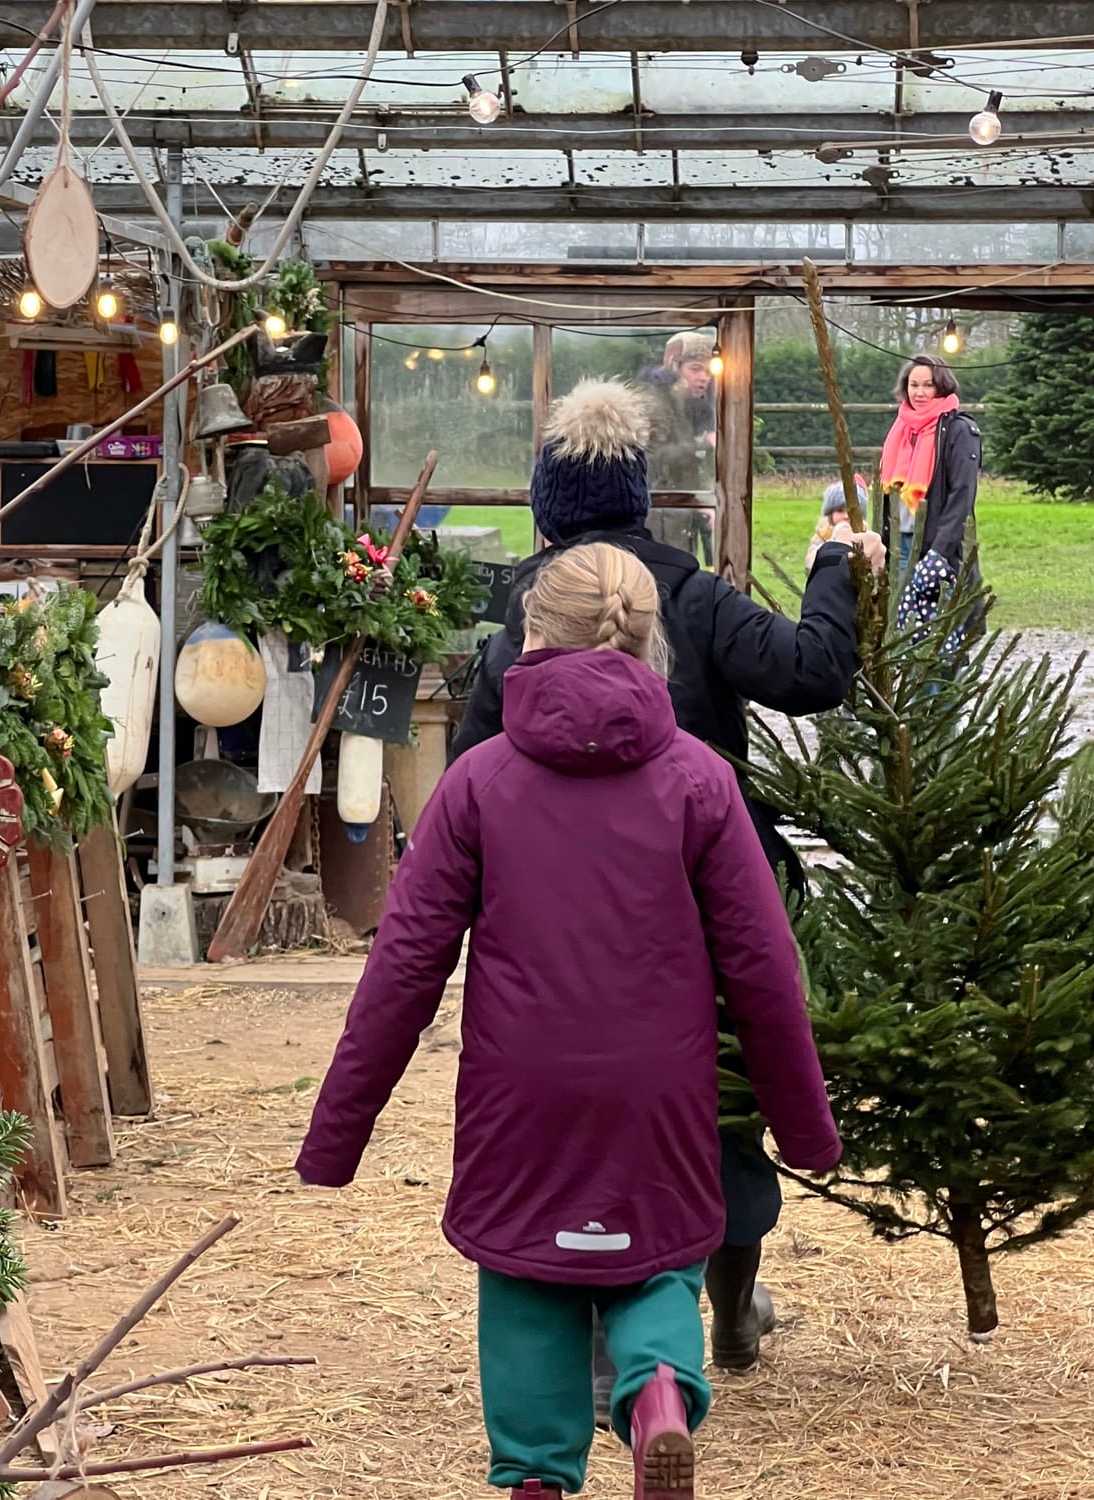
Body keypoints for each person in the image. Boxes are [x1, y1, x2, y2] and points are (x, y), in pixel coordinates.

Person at [298, 545, 843, 1500]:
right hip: (658, 1093)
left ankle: (539, 1478)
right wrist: (804, 1127)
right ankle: (660, 1397)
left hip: (521, 1091)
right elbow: (764, 970)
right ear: (649, 641)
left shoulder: (477, 784)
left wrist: (337, 1136)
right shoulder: (700, 781)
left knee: (524, 1278)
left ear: (527, 638)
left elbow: (403, 970)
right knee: (659, 1263)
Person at [450, 378, 881, 1409]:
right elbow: (815, 670)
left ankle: (607, 1347)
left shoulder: (527, 613)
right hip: (707, 906)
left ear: (546, 506)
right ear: (639, 498)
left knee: (582, 1120)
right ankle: (727, 1314)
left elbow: (469, 782)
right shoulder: (689, 597)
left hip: (555, 927)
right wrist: (832, 566)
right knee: (723, 1106)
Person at [876, 355, 980, 627]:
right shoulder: (900, 429)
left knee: (941, 636)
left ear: (941, 386)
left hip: (936, 549)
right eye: (913, 385)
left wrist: (939, 552)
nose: (919, 392)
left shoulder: (959, 431)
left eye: (928, 385)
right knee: (900, 631)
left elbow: (962, 496)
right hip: (899, 546)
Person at [638, 332, 719, 567]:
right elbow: (652, 459)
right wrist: (702, 445)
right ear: (674, 365)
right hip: (658, 518)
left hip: (680, 515)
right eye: (695, 369)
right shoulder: (654, 405)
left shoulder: (686, 405)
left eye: (708, 371)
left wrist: (702, 502)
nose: (704, 378)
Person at [807, 478, 869, 572]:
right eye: (840, 511)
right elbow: (812, 562)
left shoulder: (865, 536)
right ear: (830, 515)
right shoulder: (823, 536)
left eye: (851, 511)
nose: (846, 516)